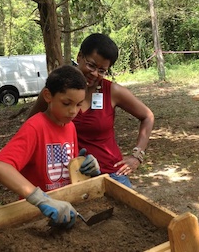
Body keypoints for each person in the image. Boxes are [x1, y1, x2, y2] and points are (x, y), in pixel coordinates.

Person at [28, 33, 155, 188]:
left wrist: (137, 155)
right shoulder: (56, 91)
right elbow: (31, 127)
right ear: (80, 56)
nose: (95, 73)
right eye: (91, 65)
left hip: (112, 174)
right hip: (70, 178)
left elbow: (147, 116)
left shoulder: (112, 91)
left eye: (102, 70)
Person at [0, 65, 100, 228]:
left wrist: (85, 167)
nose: (73, 111)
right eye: (66, 103)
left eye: (78, 105)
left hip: (64, 207)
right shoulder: (35, 127)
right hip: (36, 214)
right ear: (48, 96)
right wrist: (41, 200)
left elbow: (69, 168)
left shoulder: (70, 126)